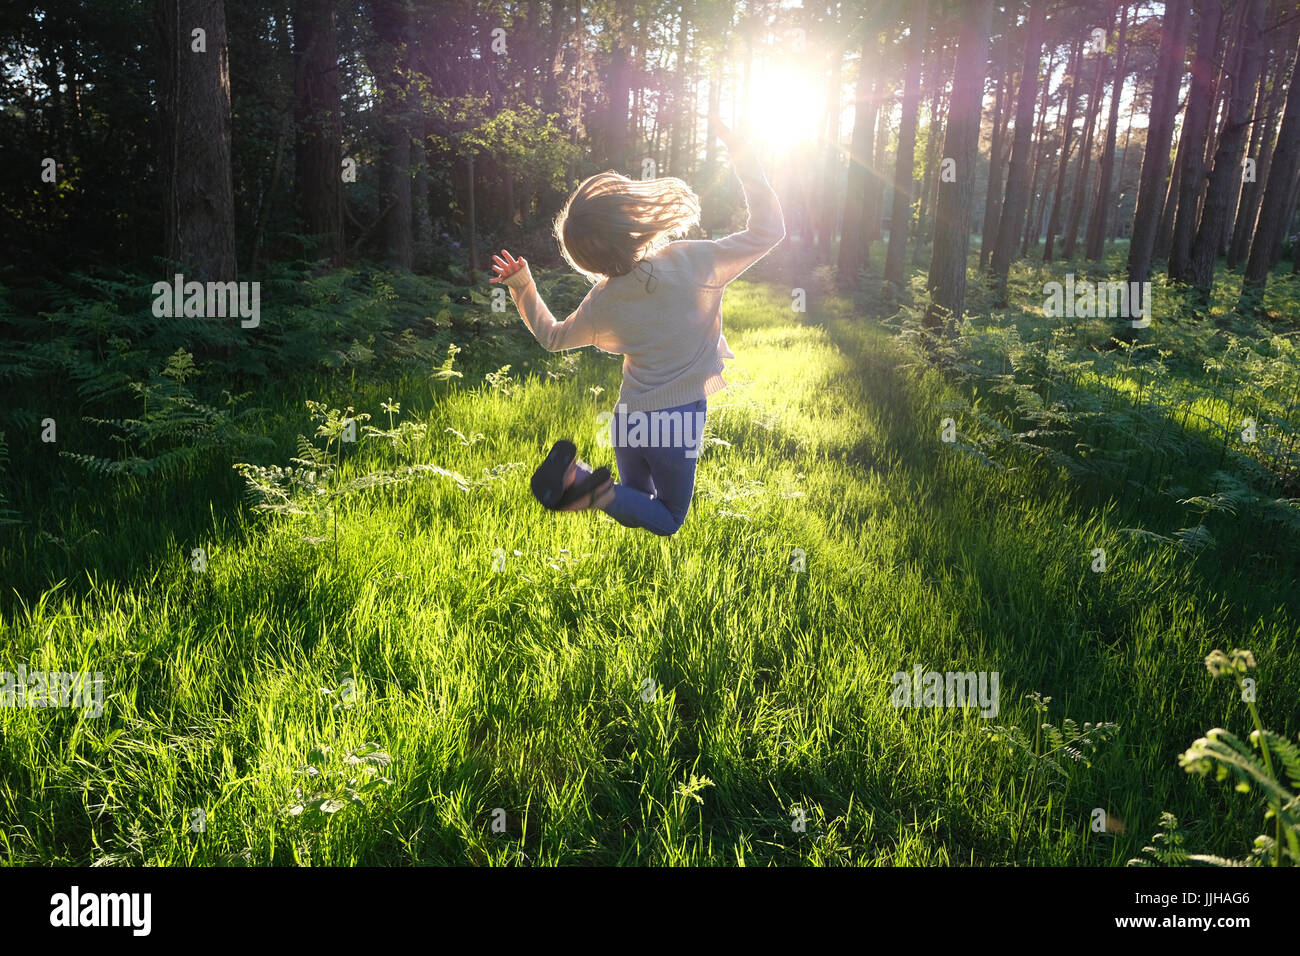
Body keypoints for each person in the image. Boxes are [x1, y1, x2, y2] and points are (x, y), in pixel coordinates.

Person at [489, 121, 785, 535]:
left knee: (634, 499)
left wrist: (523, 286)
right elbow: (769, 232)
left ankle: (581, 482)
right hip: (677, 419)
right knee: (667, 518)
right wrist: (743, 156)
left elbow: (552, 337)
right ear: (630, 218)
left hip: (630, 418)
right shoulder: (689, 261)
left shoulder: (602, 301)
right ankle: (592, 490)